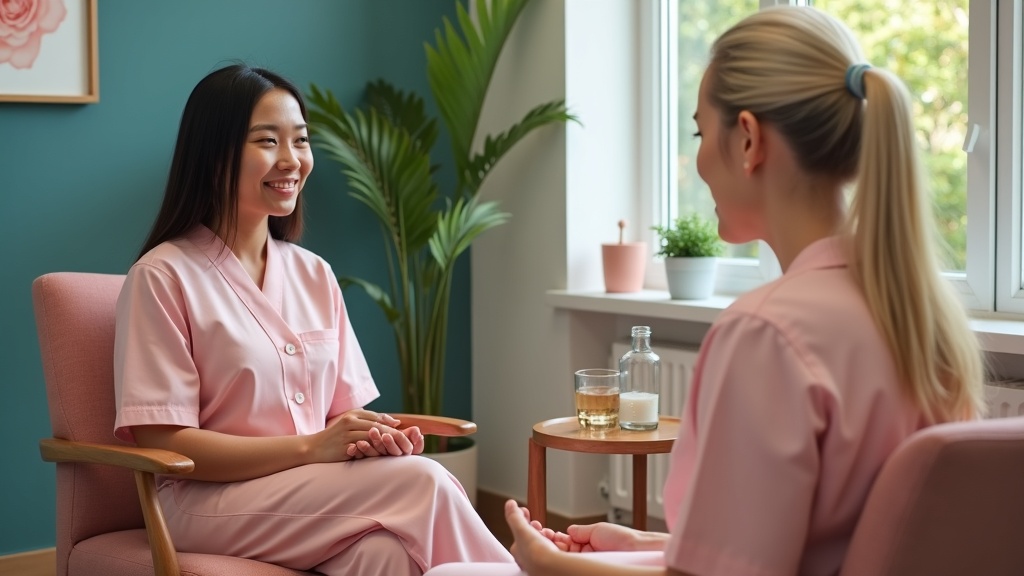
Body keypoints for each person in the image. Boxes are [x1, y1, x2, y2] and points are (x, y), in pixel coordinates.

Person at [423, 5, 987, 576]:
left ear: (747, 139)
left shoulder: (767, 335)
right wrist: (644, 544)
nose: (696, 162)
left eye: (699, 131)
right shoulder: (928, 326)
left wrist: (551, 565)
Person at [112, 63, 514, 576]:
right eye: (267, 141)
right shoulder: (162, 277)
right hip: (201, 502)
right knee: (422, 481)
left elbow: (339, 418)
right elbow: (164, 444)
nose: (292, 160)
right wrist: (311, 447)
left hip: (308, 491)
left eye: (300, 141)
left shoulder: (314, 273)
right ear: (213, 155)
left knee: (385, 555)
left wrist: (373, 439)